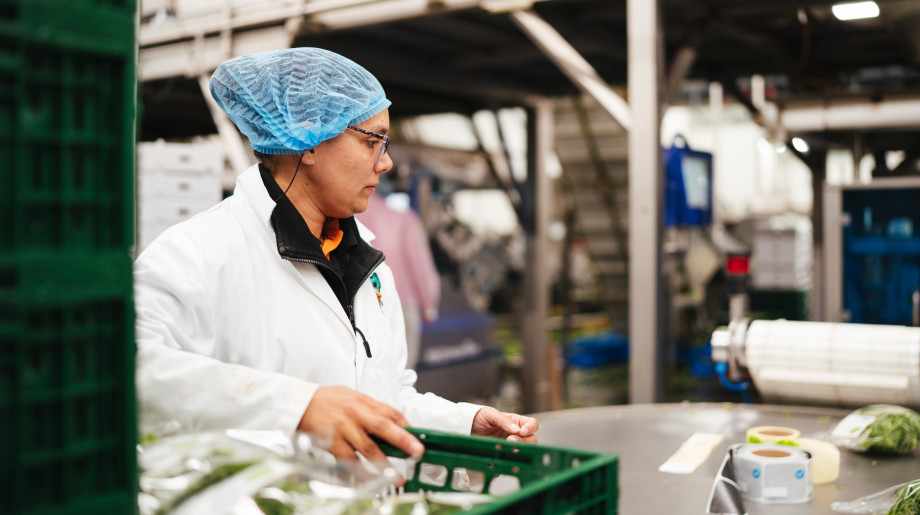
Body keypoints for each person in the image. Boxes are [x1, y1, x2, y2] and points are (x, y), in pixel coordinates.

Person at [134, 47, 538, 464]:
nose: (386, 162)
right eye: (372, 141)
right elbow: (126, 370)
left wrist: (463, 425)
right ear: (308, 140)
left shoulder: (365, 262)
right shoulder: (196, 254)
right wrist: (296, 407)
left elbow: (384, 397)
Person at [356, 191, 440, 369]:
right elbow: (418, 263)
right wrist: (428, 305)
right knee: (403, 371)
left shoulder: (347, 217)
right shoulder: (403, 219)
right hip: (403, 303)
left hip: (360, 301)